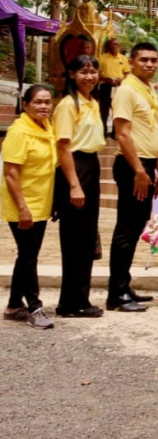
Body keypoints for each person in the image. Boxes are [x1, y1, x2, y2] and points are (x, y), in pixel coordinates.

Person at [107, 41, 158, 313]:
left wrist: (157, 164)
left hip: (147, 165)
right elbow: (123, 133)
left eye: (153, 60)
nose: (149, 64)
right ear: (131, 61)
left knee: (136, 226)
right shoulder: (126, 90)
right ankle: (116, 295)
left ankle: (124, 285)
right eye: (144, 60)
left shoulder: (147, 88)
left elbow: (149, 129)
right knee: (126, 230)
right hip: (132, 166)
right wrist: (140, 170)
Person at [52, 55, 105, 318]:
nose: (89, 76)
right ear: (71, 74)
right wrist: (74, 185)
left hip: (91, 165)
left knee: (86, 238)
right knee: (74, 238)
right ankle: (70, 302)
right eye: (83, 71)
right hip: (75, 167)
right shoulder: (67, 105)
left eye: (93, 71)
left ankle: (79, 299)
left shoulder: (92, 102)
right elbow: (63, 146)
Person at [3, 85, 57, 329]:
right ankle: (34, 306)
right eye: (38, 102)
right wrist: (23, 208)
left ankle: (14, 305)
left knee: (28, 255)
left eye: (47, 101)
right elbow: (11, 173)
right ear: (25, 105)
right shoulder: (20, 132)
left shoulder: (46, 129)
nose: (43, 106)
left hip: (41, 202)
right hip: (22, 204)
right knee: (28, 255)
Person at [97, 37, 130, 133]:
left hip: (118, 87)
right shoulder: (102, 58)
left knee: (117, 109)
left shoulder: (123, 59)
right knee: (104, 110)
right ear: (108, 46)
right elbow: (97, 73)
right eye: (111, 44)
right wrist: (105, 79)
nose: (113, 46)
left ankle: (115, 133)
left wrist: (121, 80)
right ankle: (103, 131)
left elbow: (127, 73)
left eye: (116, 44)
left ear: (119, 46)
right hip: (105, 86)